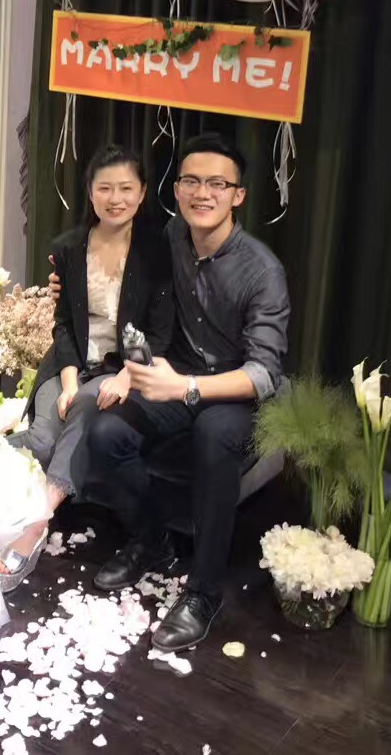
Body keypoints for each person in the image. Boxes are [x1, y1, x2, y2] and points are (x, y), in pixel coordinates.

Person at [86, 134, 290, 652]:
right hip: (176, 376)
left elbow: (265, 374)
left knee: (214, 436)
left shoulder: (262, 271)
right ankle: (152, 541)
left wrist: (188, 386)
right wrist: (133, 368)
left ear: (238, 195)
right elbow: (134, 289)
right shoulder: (171, 237)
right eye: (192, 181)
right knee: (106, 432)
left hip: (234, 392)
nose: (203, 193)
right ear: (176, 190)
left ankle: (203, 592)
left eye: (217, 184)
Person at [0, 145, 174, 590]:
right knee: (41, 438)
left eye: (126, 189)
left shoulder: (158, 250)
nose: (116, 198)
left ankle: (37, 520)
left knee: (83, 408)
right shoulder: (68, 247)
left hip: (121, 369)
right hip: (69, 364)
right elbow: (62, 325)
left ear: (142, 193)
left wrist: (128, 376)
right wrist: (68, 380)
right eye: (105, 188)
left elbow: (160, 331)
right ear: (91, 192)